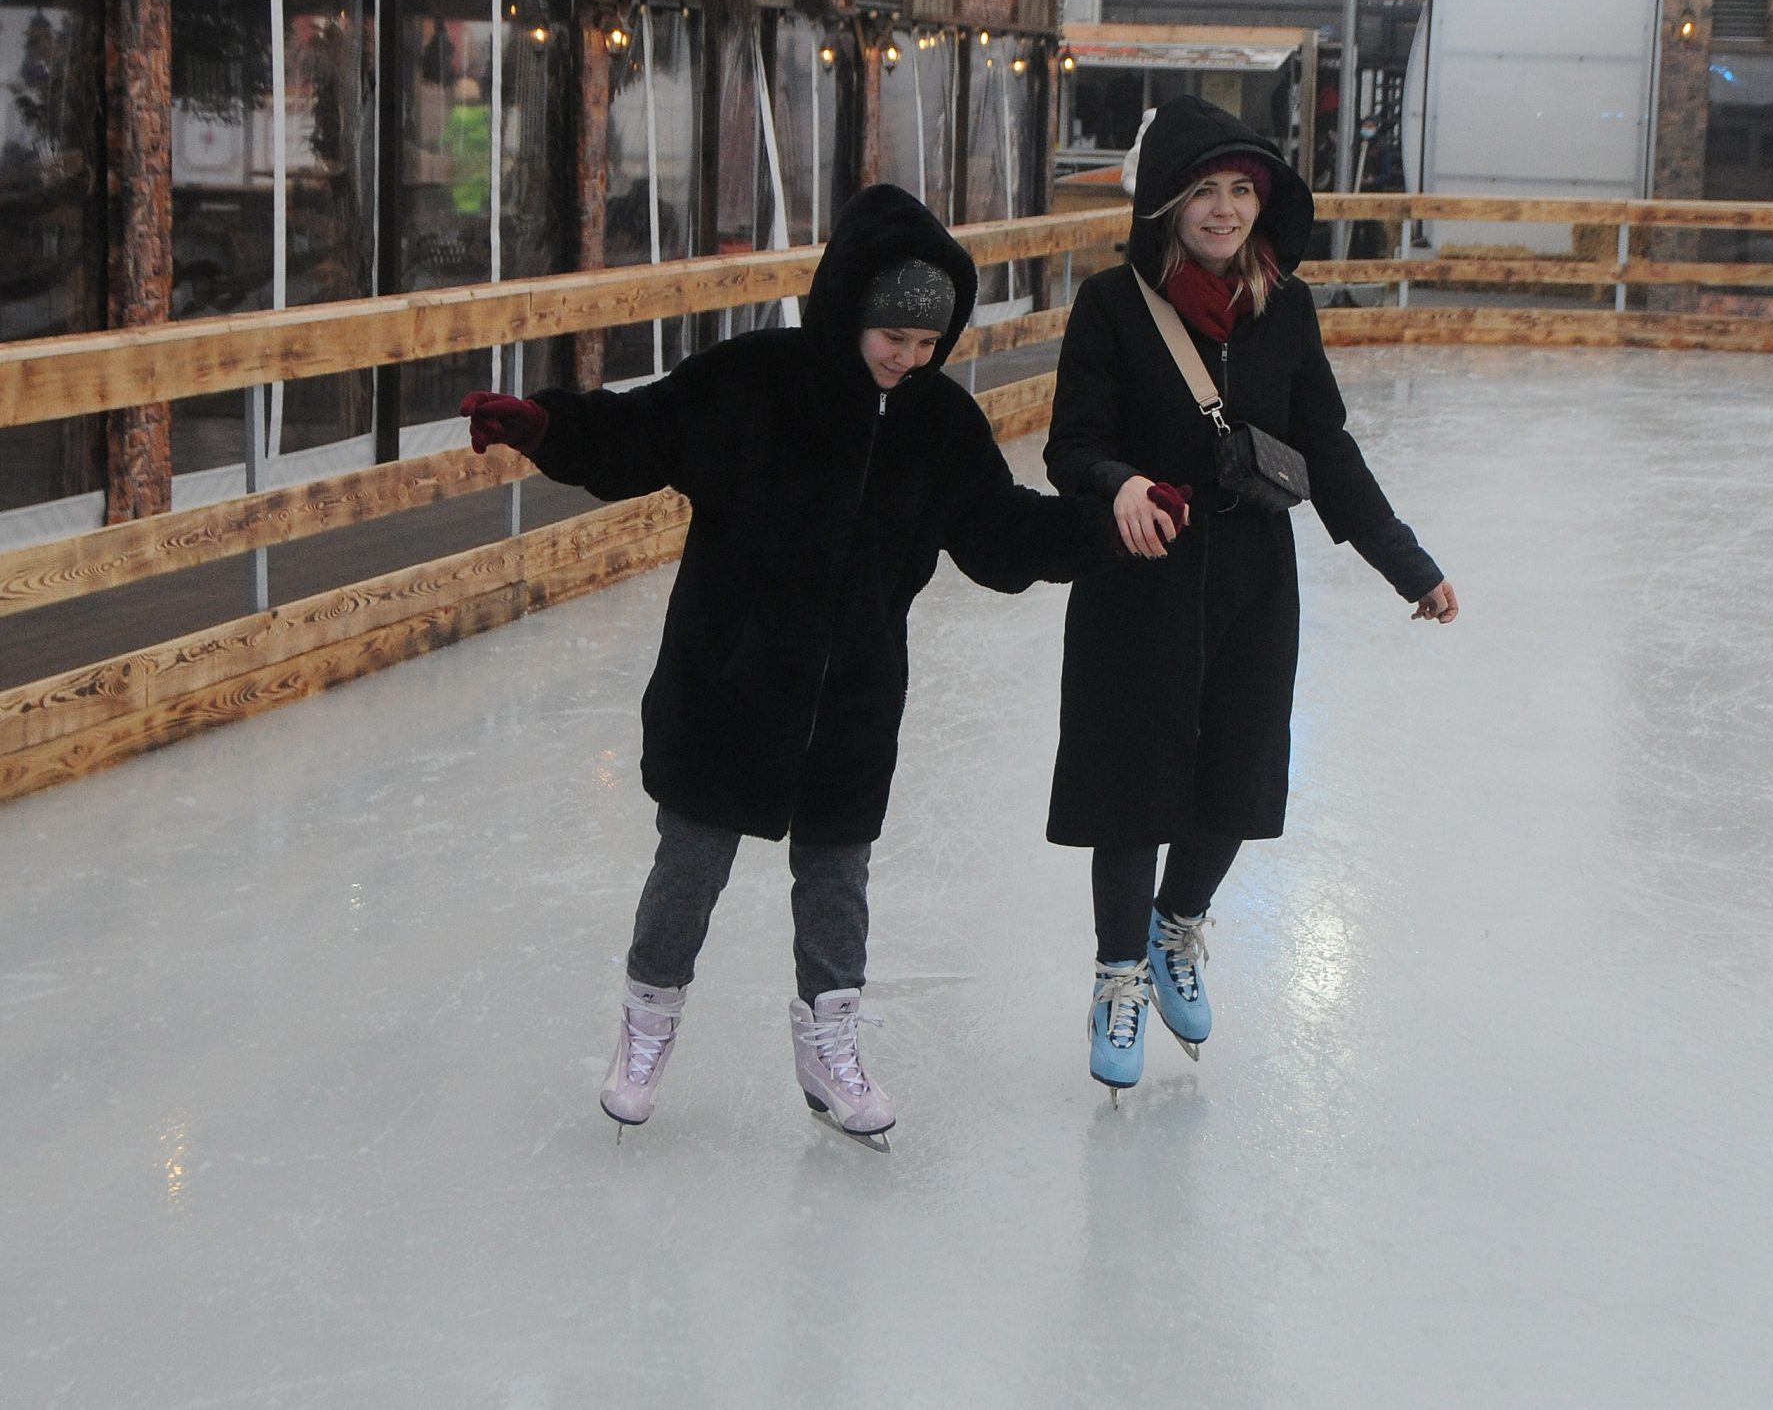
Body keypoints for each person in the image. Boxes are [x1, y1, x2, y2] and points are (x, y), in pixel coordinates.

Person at [459, 184, 1134, 1147]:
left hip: (853, 699)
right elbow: (638, 435)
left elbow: (1001, 533)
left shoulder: (938, 422)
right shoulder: (756, 380)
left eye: (927, 344)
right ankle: (647, 1024)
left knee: (836, 878)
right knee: (688, 868)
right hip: (727, 683)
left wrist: (1104, 527)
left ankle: (831, 1044)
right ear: (851, 306)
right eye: (892, 336)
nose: (908, 358)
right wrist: (545, 426)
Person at [1043, 96, 1458, 1097]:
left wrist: (1407, 561)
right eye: (1204, 191)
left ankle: (1175, 921)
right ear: (1169, 202)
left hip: (1249, 587)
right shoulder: (1110, 305)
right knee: (1133, 789)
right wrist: (1119, 486)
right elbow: (1071, 446)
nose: (1224, 210)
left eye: (1240, 190)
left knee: (1236, 777)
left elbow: (1326, 449)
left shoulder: (1288, 309)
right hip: (1137, 583)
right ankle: (1116, 974)